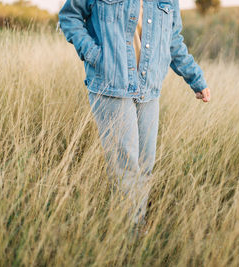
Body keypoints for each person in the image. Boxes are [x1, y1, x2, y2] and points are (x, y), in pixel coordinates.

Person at [58, 0, 211, 231]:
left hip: (148, 89)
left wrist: (195, 78)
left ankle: (135, 227)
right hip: (111, 84)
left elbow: (173, 40)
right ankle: (130, 237)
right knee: (126, 168)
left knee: (144, 167)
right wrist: (93, 54)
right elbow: (70, 17)